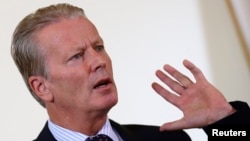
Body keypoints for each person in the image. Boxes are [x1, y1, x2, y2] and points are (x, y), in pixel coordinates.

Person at [10, 3, 250, 141]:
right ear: (42, 87)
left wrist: (225, 121)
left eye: (99, 47)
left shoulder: (168, 140)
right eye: (77, 56)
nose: (99, 61)